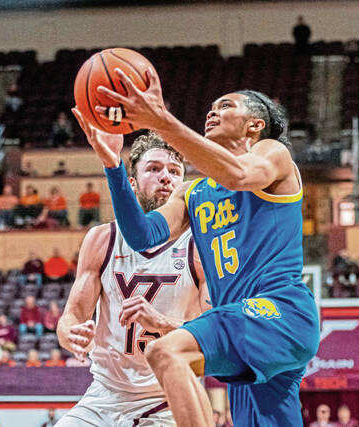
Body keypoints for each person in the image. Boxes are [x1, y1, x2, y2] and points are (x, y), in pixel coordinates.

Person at [74, 73, 320, 424]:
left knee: (166, 354)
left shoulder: (272, 153)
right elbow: (142, 235)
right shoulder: (192, 193)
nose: (212, 112)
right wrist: (113, 165)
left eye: (225, 105)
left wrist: (161, 121)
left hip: (279, 311)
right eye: (211, 106)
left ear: (254, 125)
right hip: (242, 322)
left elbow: (237, 173)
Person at [55, 132, 209, 427]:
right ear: (132, 183)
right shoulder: (102, 239)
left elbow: (212, 336)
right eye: (154, 169)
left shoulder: (199, 246)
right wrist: (72, 334)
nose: (166, 177)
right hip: (104, 394)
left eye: (175, 171)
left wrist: (163, 323)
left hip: (166, 397)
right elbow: (71, 316)